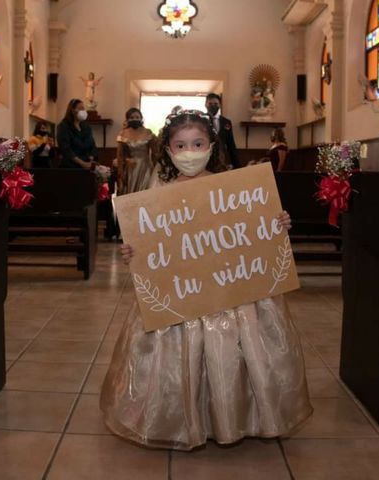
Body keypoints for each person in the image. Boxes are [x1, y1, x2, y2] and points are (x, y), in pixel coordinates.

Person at [100, 110, 312, 451]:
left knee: (232, 354)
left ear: (211, 146)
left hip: (230, 289)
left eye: (197, 143)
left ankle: (234, 416)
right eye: (181, 145)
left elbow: (254, 228)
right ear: (168, 150)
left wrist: (277, 223)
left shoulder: (233, 187)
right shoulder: (162, 193)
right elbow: (150, 244)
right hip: (181, 295)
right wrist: (133, 252)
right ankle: (180, 417)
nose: (189, 151)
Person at [116, 108, 157, 195]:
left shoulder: (148, 132)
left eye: (137, 117)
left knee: (145, 194)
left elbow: (154, 153)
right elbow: (120, 155)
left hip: (145, 168)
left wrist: (156, 170)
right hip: (130, 169)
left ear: (141, 119)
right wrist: (121, 172)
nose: (135, 119)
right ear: (127, 119)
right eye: (132, 117)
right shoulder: (123, 133)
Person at [56, 99, 98, 169]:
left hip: (87, 165)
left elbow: (92, 145)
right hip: (70, 167)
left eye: (83, 108)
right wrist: (82, 163)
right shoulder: (63, 126)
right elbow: (66, 149)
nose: (83, 111)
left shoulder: (86, 127)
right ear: (72, 110)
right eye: (80, 108)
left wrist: (91, 158)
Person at [205, 93, 240, 169]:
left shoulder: (226, 122)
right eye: (210, 103)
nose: (213, 106)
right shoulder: (202, 120)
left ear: (220, 105)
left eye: (215, 104)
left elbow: (231, 144)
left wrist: (237, 166)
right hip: (205, 160)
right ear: (206, 104)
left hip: (222, 160)